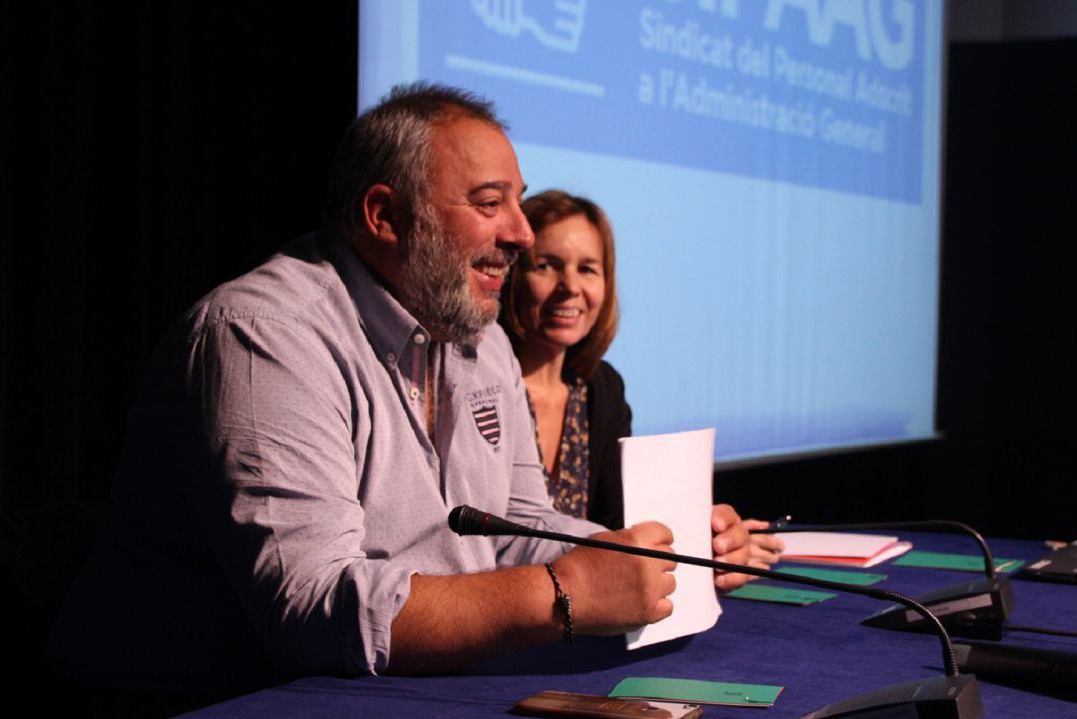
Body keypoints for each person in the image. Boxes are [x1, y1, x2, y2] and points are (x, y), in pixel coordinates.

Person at [48, 84, 742, 699]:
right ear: (384, 214)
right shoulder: (264, 335)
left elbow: (520, 524)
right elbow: (310, 610)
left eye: (518, 204)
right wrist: (565, 592)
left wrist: (657, 554)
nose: (521, 233)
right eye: (490, 203)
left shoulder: (480, 337)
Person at [500, 190, 783, 584]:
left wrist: (709, 542)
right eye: (546, 266)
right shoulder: (480, 385)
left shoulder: (601, 388)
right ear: (511, 275)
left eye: (588, 269)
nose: (570, 287)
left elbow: (618, 526)